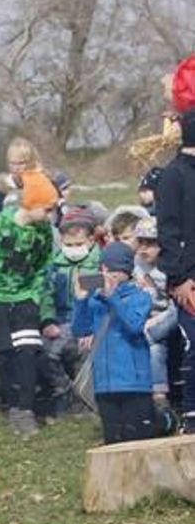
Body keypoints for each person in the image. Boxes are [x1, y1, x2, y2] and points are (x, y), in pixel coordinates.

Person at [0, 170, 58, 437]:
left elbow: (43, 264)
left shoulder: (43, 233)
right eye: (47, 208)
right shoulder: (0, 225)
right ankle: (13, 405)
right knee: (3, 355)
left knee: (27, 352)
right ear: (31, 203)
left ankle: (26, 409)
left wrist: (35, 295)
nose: (50, 215)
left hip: (25, 297)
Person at [73, 242, 155, 444]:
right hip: (104, 384)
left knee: (137, 439)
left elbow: (134, 326)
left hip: (134, 383)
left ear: (126, 272)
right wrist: (80, 300)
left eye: (115, 271)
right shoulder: (95, 300)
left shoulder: (139, 297)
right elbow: (80, 330)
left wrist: (112, 298)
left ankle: (164, 421)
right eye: (105, 270)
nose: (109, 275)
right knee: (113, 441)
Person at [38, 206, 100, 416]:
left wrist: (91, 328)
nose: (73, 248)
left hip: (88, 326)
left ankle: (85, 399)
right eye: (68, 244)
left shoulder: (98, 266)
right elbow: (46, 293)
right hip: (62, 321)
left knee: (86, 352)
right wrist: (47, 321)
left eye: (79, 244)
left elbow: (98, 299)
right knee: (45, 352)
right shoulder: (55, 266)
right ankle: (63, 389)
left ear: (91, 240)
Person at [157, 108, 195, 431]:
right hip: (190, 277)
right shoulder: (173, 175)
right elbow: (167, 233)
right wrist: (179, 278)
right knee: (194, 345)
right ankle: (192, 415)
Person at [131, 217, 177, 406]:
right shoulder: (136, 265)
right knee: (156, 347)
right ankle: (157, 395)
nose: (143, 249)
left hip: (171, 314)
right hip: (148, 314)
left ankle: (159, 396)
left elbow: (176, 304)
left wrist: (155, 323)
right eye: (140, 242)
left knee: (155, 337)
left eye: (150, 243)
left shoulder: (171, 266)